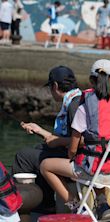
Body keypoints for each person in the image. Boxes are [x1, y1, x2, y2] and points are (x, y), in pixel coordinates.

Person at [40, 59, 110, 219]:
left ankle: (78, 208)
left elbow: (72, 149)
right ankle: (102, 203)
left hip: (100, 172)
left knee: (46, 166)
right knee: (97, 159)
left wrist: (71, 154)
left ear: (91, 81)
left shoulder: (86, 107)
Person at [12, 66, 81, 212]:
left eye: (50, 87)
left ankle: (36, 208)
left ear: (55, 86)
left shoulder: (73, 107)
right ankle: (46, 203)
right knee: (39, 149)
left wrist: (56, 141)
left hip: (77, 160)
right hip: (81, 156)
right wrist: (41, 131)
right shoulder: (78, 99)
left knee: (23, 156)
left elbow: (81, 140)